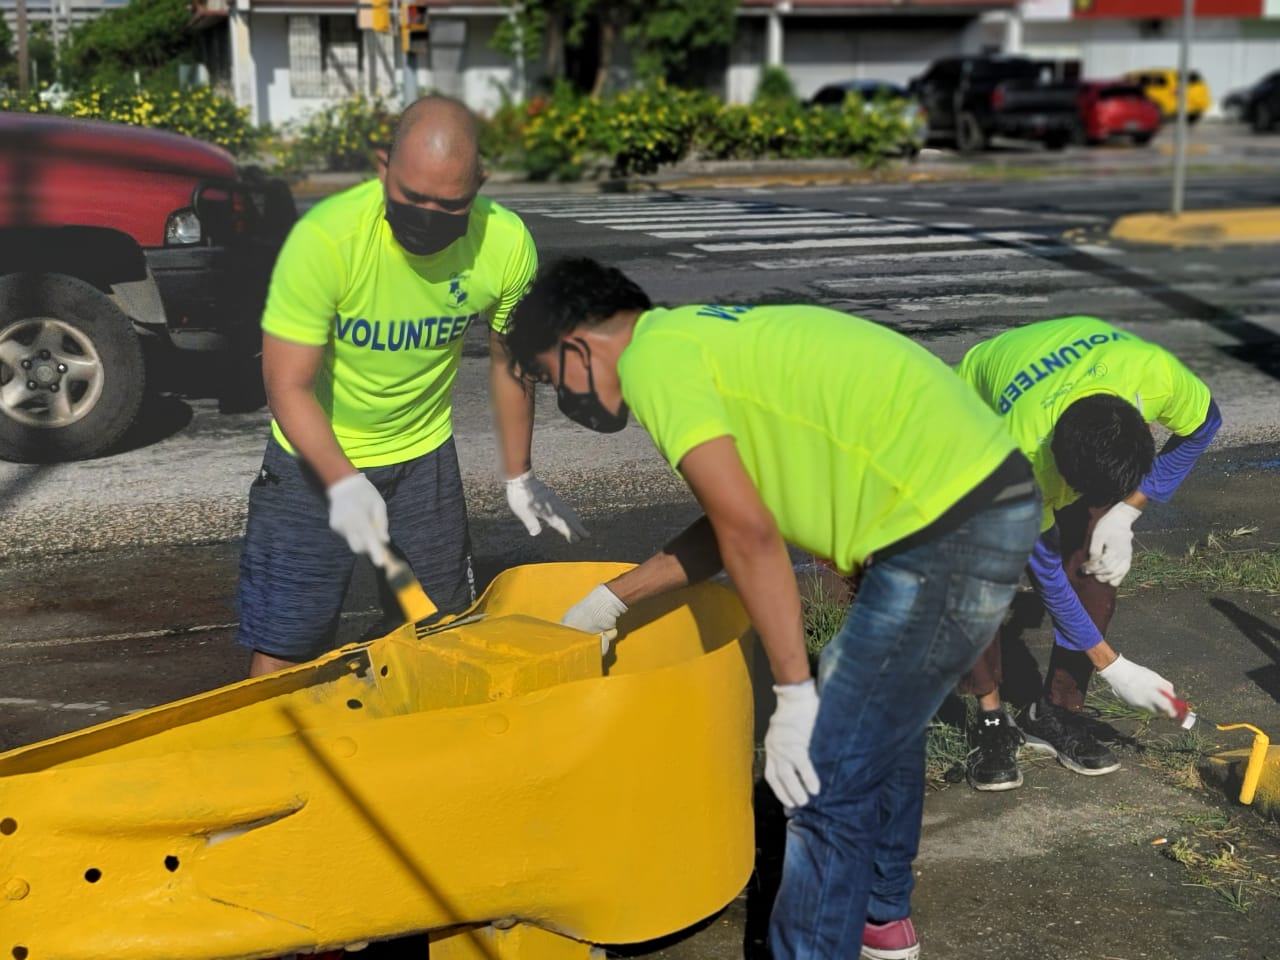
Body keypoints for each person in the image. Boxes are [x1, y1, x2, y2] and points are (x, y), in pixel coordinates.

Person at [501, 257, 1043, 960]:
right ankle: (883, 920)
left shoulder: (654, 363)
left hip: (947, 522)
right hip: (967, 498)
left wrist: (792, 695)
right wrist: (611, 603)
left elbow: (750, 536)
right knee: (875, 712)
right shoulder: (693, 339)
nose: (561, 398)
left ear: (575, 347)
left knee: (816, 773)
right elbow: (737, 517)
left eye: (548, 380)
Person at [235, 95, 585, 681]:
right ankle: (274, 760)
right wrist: (345, 484)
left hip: (424, 462)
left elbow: (510, 361)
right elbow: (286, 385)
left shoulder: (503, 244)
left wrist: (519, 473)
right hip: (311, 461)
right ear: (382, 167)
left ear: (480, 184)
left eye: (450, 205)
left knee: (440, 633)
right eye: (412, 198)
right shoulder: (324, 240)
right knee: (286, 648)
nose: (427, 216)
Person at [954, 316, 1222, 792]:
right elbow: (1045, 572)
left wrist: (1129, 511)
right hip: (973, 408)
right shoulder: (1021, 451)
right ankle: (992, 720)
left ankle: (1053, 712)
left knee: (1096, 564)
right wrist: (1113, 666)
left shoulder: (1156, 375)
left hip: (1090, 382)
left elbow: (1206, 425)